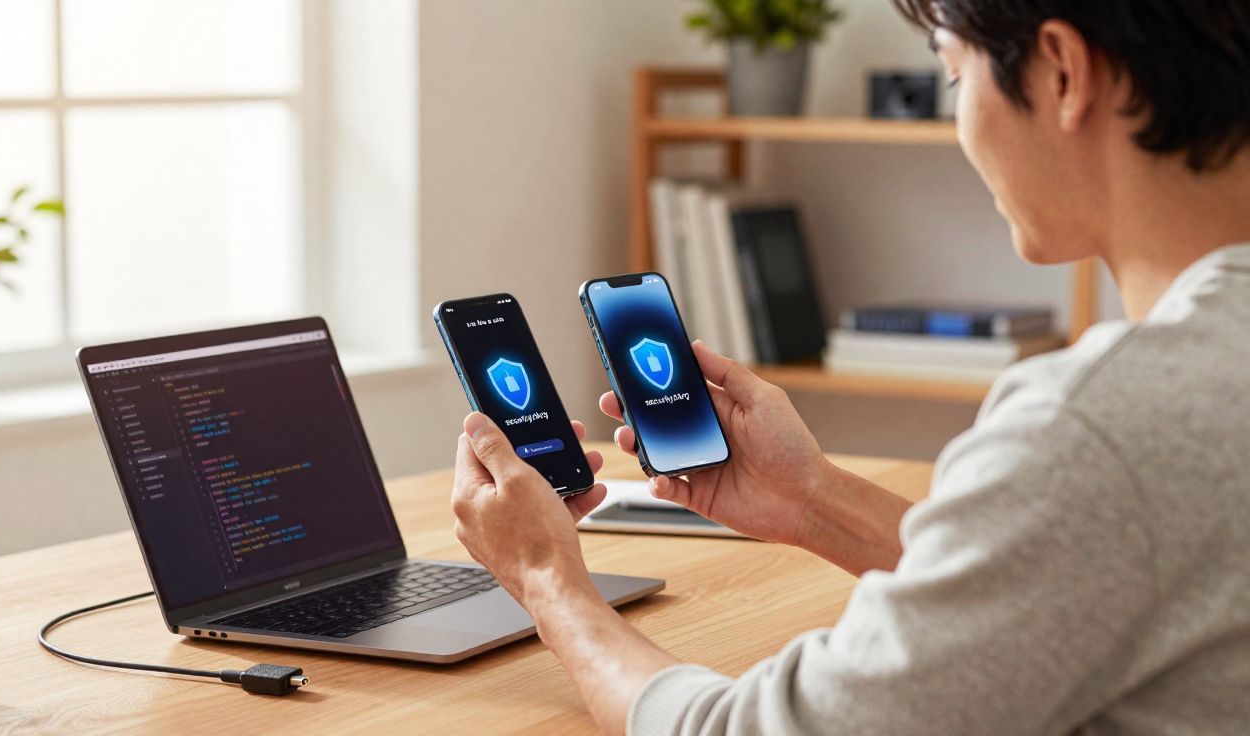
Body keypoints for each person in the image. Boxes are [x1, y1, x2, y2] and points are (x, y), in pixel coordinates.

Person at [450, 0, 1250, 733]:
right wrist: (812, 499)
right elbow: (1063, 586)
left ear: (1063, 74)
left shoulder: (1097, 427)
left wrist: (548, 580)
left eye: (955, 76)